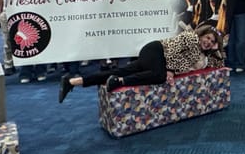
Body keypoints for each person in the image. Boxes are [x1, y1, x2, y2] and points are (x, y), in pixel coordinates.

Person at [58, 26, 224, 103]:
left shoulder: (201, 52)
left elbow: (219, 62)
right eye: (208, 38)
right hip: (156, 50)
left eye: (212, 41)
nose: (209, 42)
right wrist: (171, 70)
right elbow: (173, 51)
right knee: (159, 76)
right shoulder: (191, 37)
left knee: (121, 70)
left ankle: (72, 82)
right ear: (201, 35)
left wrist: (216, 49)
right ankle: (119, 82)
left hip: (157, 59)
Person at [16, 0, 48, 82]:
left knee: (40, 43)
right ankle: (25, 72)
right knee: (25, 45)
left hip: (41, 16)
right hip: (25, 17)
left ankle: (41, 70)